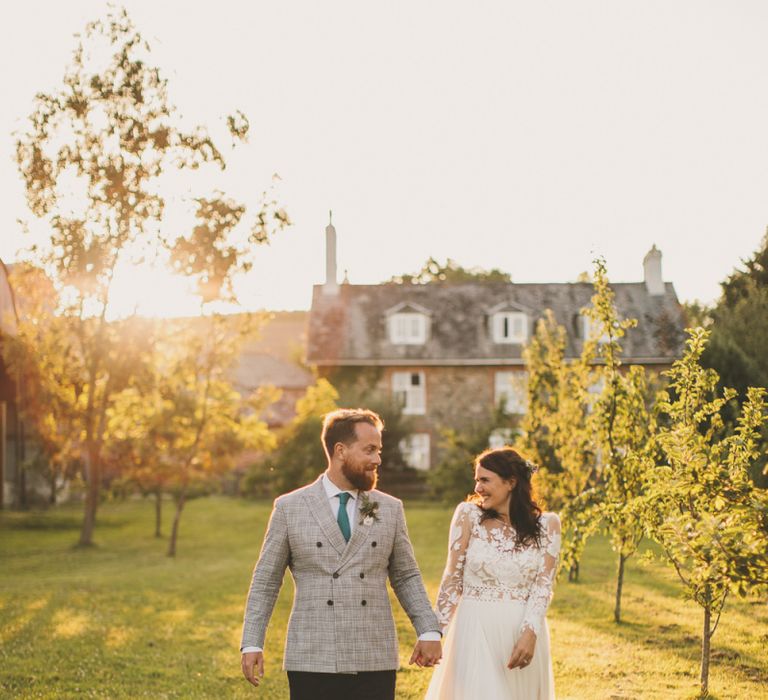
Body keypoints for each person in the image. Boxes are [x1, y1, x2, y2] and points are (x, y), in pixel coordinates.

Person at [240, 408, 442, 700]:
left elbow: (406, 575)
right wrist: (251, 643)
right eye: (370, 450)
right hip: (313, 654)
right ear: (340, 451)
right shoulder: (290, 507)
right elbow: (266, 581)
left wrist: (428, 630)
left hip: (373, 653)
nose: (378, 459)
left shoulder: (390, 508)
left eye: (379, 450)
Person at [425, 446, 561, 700]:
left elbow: (543, 586)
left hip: (521, 637)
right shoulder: (468, 516)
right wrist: (434, 633)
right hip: (474, 629)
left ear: (511, 482)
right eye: (476, 480)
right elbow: (452, 579)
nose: (477, 487)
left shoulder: (548, 525)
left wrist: (530, 634)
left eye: (485, 480)